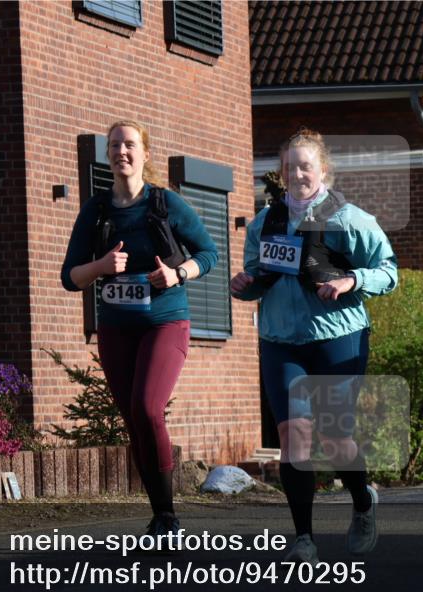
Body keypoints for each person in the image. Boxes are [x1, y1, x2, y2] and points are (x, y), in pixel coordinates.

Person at [231, 128, 398, 565]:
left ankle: (362, 502)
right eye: (289, 167)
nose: (298, 173)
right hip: (280, 341)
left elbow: (388, 270)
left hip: (337, 337)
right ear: (281, 173)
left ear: (323, 169)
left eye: (306, 165)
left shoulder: (349, 220)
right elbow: (257, 278)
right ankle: (303, 536)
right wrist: (243, 285)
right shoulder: (265, 222)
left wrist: (352, 279)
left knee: (336, 435)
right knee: (294, 438)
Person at [61, 120, 217, 539]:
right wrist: (100, 267)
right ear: (108, 156)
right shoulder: (95, 211)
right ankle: (159, 515)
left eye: (129, 145)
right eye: (114, 146)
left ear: (145, 154)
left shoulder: (166, 203)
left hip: (165, 320)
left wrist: (178, 273)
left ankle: (168, 517)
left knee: (149, 408)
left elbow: (209, 253)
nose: (121, 152)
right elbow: (69, 276)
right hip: (116, 327)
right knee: (134, 419)